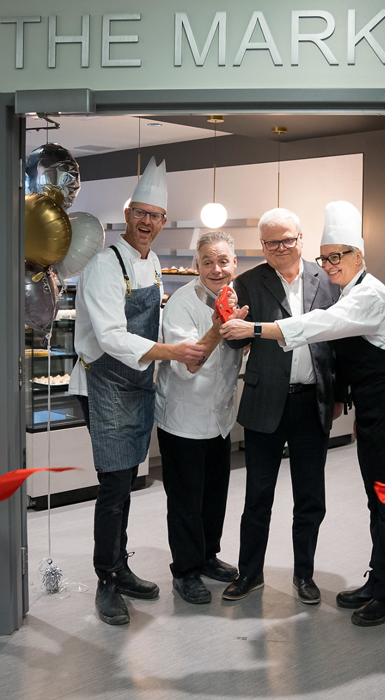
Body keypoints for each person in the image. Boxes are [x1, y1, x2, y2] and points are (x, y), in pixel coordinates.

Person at [221, 200, 385, 627]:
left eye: (339, 256)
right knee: (377, 499)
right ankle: (377, 581)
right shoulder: (345, 288)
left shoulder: (366, 294)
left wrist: (255, 330)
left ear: (358, 256)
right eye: (327, 256)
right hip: (370, 408)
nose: (331, 264)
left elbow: (318, 329)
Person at [69, 157, 207, 626]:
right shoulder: (104, 266)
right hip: (105, 383)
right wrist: (171, 351)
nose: (147, 223)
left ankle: (121, 566)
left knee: (127, 482)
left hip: (137, 385)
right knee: (112, 486)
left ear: (163, 222)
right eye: (140, 213)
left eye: (156, 216)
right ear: (127, 214)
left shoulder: (151, 266)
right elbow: (109, 336)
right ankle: (106, 580)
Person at [220, 208, 341, 605]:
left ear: (301, 239)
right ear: (262, 247)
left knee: (310, 497)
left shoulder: (327, 281)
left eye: (287, 239)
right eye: (272, 242)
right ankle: (250, 573)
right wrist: (227, 321)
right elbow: (236, 341)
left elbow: (341, 342)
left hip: (312, 403)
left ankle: (304, 575)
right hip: (265, 401)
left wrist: (340, 394)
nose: (280, 248)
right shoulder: (248, 283)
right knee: (258, 495)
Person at [155, 231, 247, 604]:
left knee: (214, 494)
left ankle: (208, 556)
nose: (216, 268)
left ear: (234, 264)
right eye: (207, 262)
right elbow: (189, 363)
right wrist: (218, 326)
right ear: (196, 266)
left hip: (220, 419)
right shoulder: (182, 303)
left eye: (223, 261)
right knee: (185, 499)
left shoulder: (239, 298)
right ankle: (186, 571)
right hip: (184, 418)